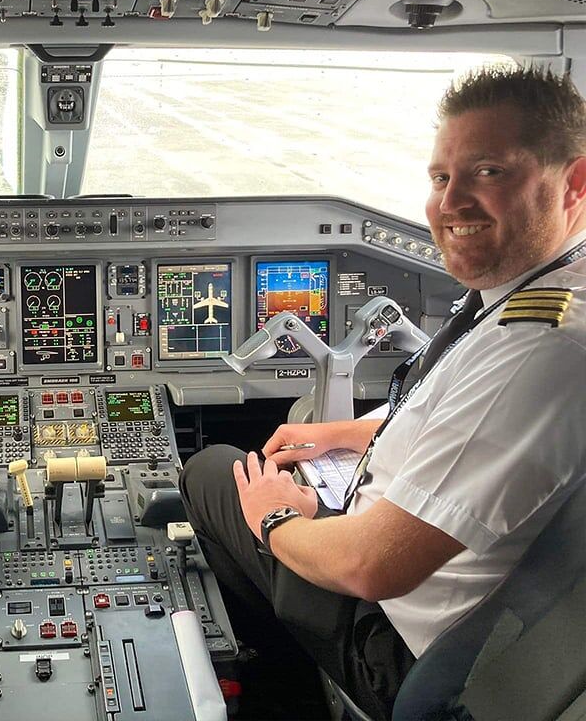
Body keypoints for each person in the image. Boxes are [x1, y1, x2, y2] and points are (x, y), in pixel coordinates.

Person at [180, 64, 586, 720]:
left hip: (401, 639)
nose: (451, 203)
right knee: (273, 469)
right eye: (441, 177)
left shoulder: (539, 350)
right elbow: (459, 422)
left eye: (490, 172)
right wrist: (339, 435)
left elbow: (374, 565)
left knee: (212, 473)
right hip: (447, 584)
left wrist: (277, 520)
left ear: (574, 181)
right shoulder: (545, 291)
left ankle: (283, 695)